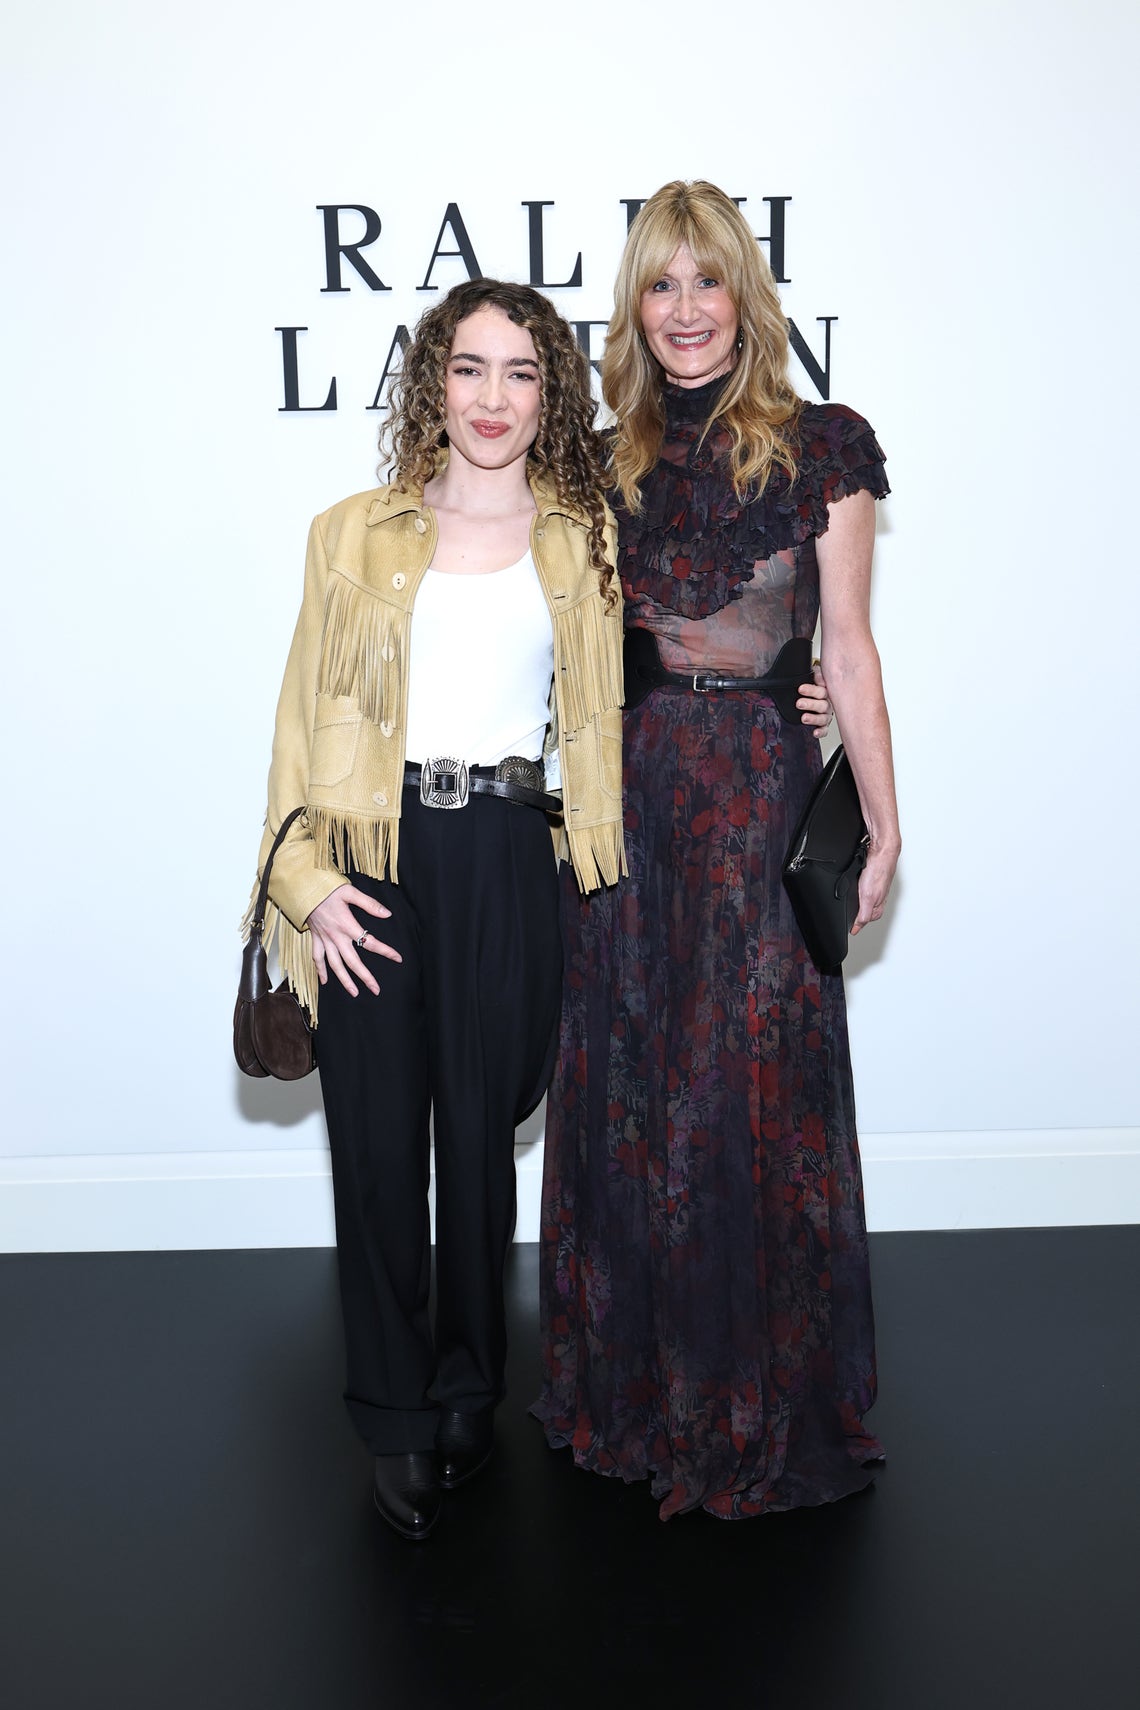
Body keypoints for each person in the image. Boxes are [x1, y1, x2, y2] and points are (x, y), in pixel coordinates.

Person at [532, 181, 901, 1520]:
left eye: (708, 281)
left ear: (746, 295)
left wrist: (884, 817)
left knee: (746, 1080)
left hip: (757, 796)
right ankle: (636, 1390)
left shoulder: (823, 447)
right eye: (660, 283)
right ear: (633, 306)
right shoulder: (594, 459)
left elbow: (847, 645)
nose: (685, 309)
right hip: (628, 801)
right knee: (633, 1077)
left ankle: (750, 1399)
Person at [248, 279, 629, 1540]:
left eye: (522, 372)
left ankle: (470, 1387)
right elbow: (298, 720)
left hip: (508, 854)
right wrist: (304, 886)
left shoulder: (584, 539)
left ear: (550, 392)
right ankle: (394, 1413)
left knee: (476, 1142)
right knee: (373, 1148)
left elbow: (651, 682)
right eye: (470, 368)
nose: (493, 397)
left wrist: (801, 685)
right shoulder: (349, 533)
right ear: (435, 382)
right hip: (371, 856)